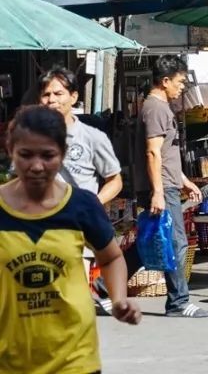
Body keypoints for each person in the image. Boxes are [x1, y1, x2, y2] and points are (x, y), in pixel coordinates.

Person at [1, 106, 140, 374]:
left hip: (74, 356)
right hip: (10, 358)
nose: (37, 166)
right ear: (11, 151)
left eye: (48, 155)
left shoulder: (80, 205)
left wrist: (119, 298)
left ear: (63, 155)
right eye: (26, 155)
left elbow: (111, 257)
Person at [98, 55, 208, 318]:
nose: (182, 87)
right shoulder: (156, 108)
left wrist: (185, 180)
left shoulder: (159, 107)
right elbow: (152, 153)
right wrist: (158, 192)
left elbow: (166, 153)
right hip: (160, 188)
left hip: (167, 184)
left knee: (149, 242)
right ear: (165, 80)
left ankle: (104, 287)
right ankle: (178, 302)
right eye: (180, 82)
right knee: (175, 242)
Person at [38, 66, 122, 205]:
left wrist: (93, 205)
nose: (51, 100)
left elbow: (115, 181)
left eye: (58, 94)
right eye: (46, 94)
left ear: (73, 97)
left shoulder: (92, 137)